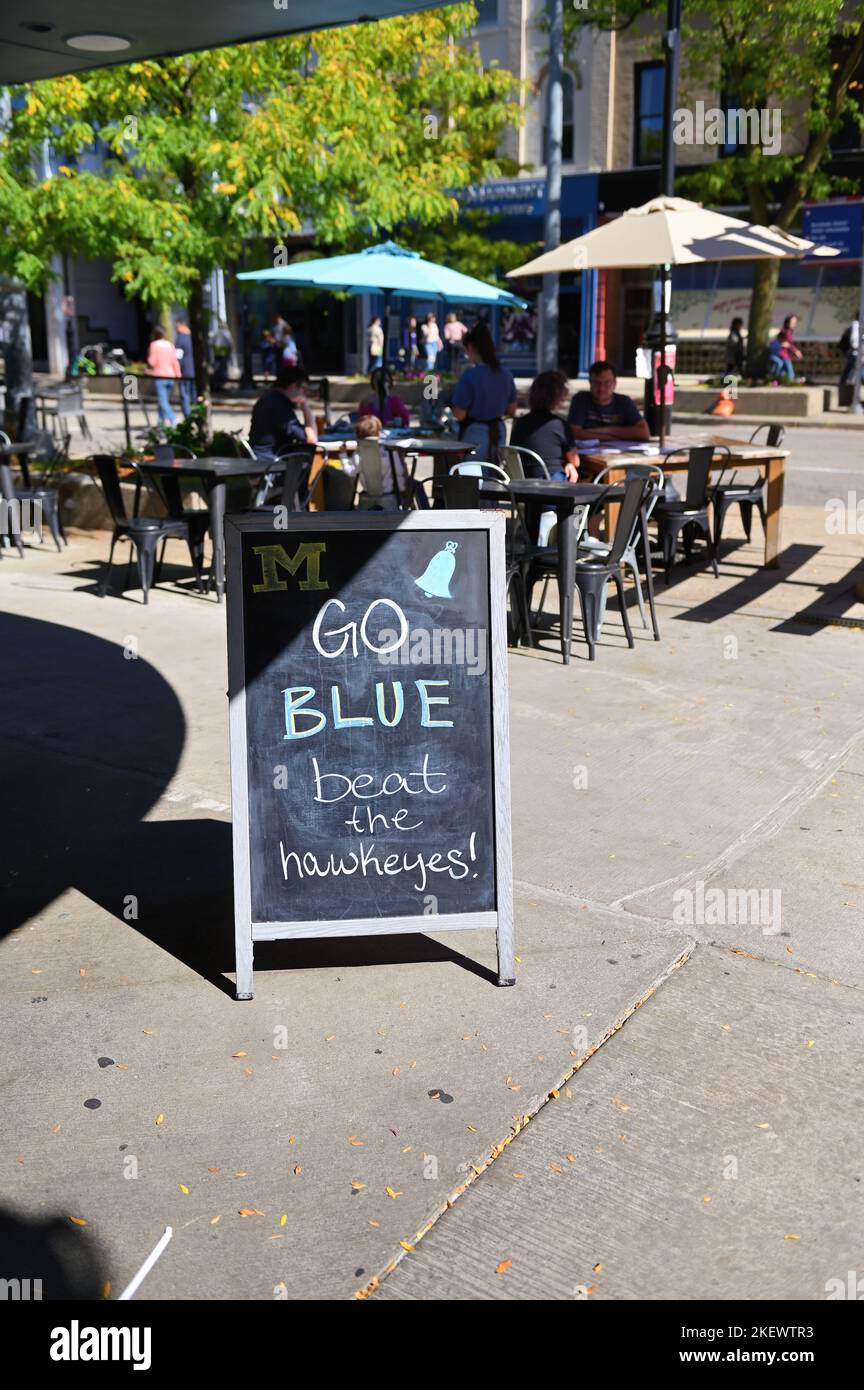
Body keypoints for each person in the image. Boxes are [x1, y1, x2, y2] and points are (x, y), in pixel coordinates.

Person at [451, 322, 517, 460]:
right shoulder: (506, 374)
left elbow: (460, 414)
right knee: (494, 476)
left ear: (471, 347)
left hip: (475, 434)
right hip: (499, 432)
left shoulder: (470, 375)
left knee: (473, 477)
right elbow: (511, 410)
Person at [510, 370, 579, 481]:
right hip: (553, 483)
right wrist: (568, 464)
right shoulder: (560, 424)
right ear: (558, 397)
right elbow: (576, 461)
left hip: (524, 484)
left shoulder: (520, 423)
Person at [248, 365, 318, 461]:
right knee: (330, 473)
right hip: (270, 465)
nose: (305, 394)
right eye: (304, 389)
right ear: (293, 386)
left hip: (265, 460)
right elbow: (311, 439)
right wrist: (305, 405)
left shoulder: (271, 399)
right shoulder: (278, 406)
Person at [568, 360, 650, 442]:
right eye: (596, 383)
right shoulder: (581, 399)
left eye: (607, 383)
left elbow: (644, 433)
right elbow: (574, 433)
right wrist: (613, 438)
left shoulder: (624, 402)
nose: (601, 388)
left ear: (615, 383)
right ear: (590, 382)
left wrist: (606, 430)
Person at [147, 325, 181, 426]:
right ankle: (162, 422)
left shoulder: (154, 345)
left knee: (162, 401)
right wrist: (178, 374)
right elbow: (175, 361)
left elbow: (152, 362)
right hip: (170, 375)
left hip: (160, 375)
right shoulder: (170, 345)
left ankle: (173, 419)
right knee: (164, 400)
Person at [767, 314, 802, 382]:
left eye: (795, 322)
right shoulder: (785, 332)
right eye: (792, 322)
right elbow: (786, 344)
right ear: (787, 322)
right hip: (783, 355)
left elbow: (787, 344)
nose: (794, 324)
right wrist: (796, 351)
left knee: (784, 374)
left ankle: (776, 382)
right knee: (790, 375)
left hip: (785, 355)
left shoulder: (788, 332)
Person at [173, 316, 196, 418]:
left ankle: (188, 417)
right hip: (195, 371)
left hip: (184, 371)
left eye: (176, 327)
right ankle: (196, 414)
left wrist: (177, 371)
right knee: (194, 394)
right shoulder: (195, 337)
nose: (176, 329)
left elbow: (178, 357)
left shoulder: (180, 339)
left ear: (181, 325)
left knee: (185, 395)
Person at [210, 320, 233, 391]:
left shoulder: (216, 334)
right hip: (223, 355)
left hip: (217, 355)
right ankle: (220, 385)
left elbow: (210, 343)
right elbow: (230, 345)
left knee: (217, 371)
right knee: (222, 371)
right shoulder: (227, 333)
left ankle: (218, 385)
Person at [839, 318, 861, 385]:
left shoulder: (851, 327)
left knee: (850, 369)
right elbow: (854, 341)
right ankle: (846, 384)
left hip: (852, 352)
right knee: (850, 369)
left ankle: (846, 383)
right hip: (852, 352)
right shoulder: (855, 327)